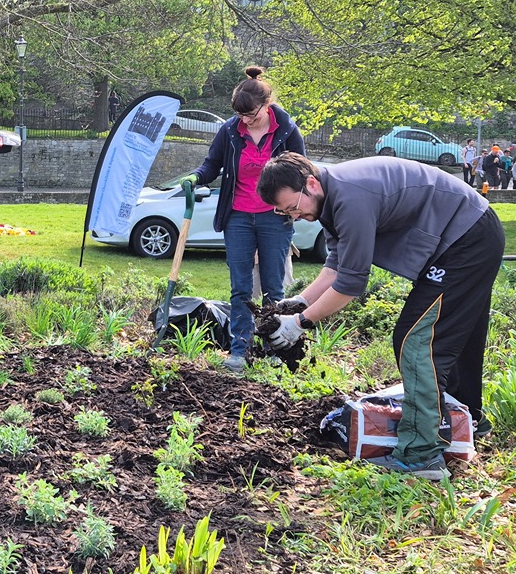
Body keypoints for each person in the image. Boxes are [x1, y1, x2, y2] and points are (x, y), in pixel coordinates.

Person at [258, 152, 503, 480]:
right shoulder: (330, 200)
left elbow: (350, 285)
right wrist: (300, 302)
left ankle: (422, 455)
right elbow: (336, 265)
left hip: (467, 239)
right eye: (286, 212)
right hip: (470, 234)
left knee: (417, 340)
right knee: (455, 334)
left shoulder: (350, 197)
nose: (295, 215)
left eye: (293, 207)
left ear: (311, 184)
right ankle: (467, 421)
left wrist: (300, 324)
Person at [180, 66, 305, 374]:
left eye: (252, 115)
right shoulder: (230, 131)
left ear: (267, 103)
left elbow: (303, 170)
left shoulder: (287, 130)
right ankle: (240, 350)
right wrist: (196, 177)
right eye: (241, 116)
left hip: (275, 217)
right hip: (237, 216)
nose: (246, 121)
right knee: (240, 288)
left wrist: (295, 205)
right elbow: (213, 164)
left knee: (274, 289)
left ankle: (274, 348)